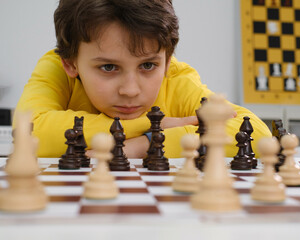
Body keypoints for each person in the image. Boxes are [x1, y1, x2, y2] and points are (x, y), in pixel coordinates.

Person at [15, 0, 271, 158]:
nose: (130, 90)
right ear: (71, 63)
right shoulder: (56, 68)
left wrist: (144, 145)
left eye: (148, 65)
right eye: (108, 67)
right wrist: (155, 125)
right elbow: (28, 130)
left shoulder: (177, 78)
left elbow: (256, 134)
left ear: (167, 61)